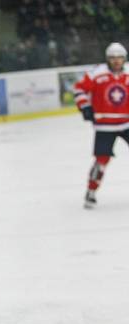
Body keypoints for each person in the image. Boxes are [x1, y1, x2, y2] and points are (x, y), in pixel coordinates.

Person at [74, 42, 129, 208]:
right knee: (101, 161)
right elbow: (79, 89)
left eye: (120, 58)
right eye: (113, 58)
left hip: (127, 122)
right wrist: (85, 107)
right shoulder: (96, 74)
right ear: (108, 59)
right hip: (105, 125)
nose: (117, 61)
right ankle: (91, 192)